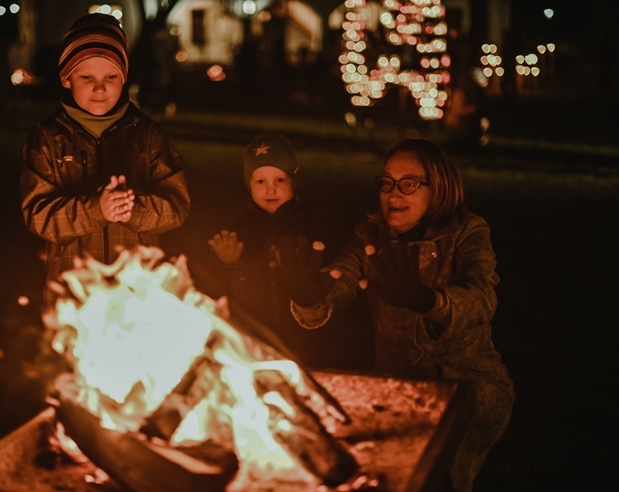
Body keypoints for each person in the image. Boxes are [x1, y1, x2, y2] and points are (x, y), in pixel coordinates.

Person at [283, 137, 514, 492]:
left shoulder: (467, 231)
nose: (394, 193)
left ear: (438, 188)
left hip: (467, 383)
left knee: (441, 477)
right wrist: (308, 295)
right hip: (397, 385)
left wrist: (426, 300)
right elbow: (335, 288)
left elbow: (482, 300)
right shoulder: (370, 239)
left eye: (409, 184)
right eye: (387, 182)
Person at [20, 13, 190, 312]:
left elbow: (177, 205)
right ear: (66, 77)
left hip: (138, 294)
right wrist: (96, 209)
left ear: (124, 77)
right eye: (87, 77)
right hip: (75, 298)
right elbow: (39, 216)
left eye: (110, 77)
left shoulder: (146, 135)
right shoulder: (47, 139)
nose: (100, 88)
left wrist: (132, 209)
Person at [207, 131, 329, 367]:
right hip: (250, 326)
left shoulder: (303, 221)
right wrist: (228, 257)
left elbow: (318, 251)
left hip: (296, 333)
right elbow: (225, 254)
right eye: (260, 181)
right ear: (249, 184)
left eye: (279, 180)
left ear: (293, 181)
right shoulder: (243, 221)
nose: (270, 190)